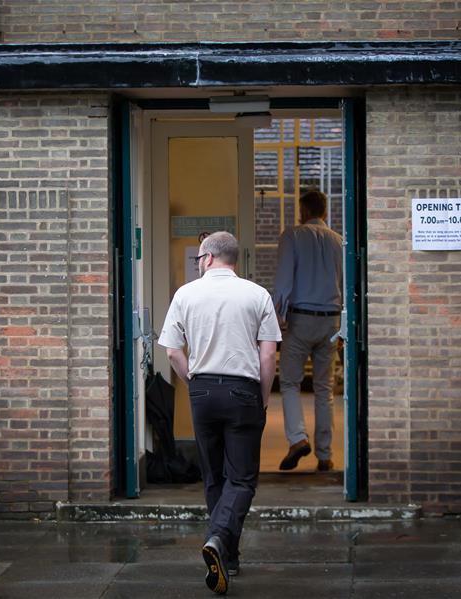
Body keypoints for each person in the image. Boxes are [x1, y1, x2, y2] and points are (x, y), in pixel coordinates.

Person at [159, 231, 281, 595]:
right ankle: (219, 538)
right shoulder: (257, 295)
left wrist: (193, 381)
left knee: (214, 477)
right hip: (243, 390)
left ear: (209, 258)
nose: (199, 264)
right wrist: (262, 396)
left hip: (203, 390)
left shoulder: (186, 294)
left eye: (199, 259)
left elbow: (171, 351)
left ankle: (228, 556)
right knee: (242, 479)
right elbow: (269, 354)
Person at [272, 189, 343, 472]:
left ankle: (297, 439)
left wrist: (277, 318)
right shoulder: (339, 241)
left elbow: (284, 280)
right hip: (331, 321)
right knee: (324, 388)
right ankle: (325, 456)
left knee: (289, 382)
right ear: (324, 212)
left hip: (300, 319)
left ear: (303, 211)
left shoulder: (292, 235)